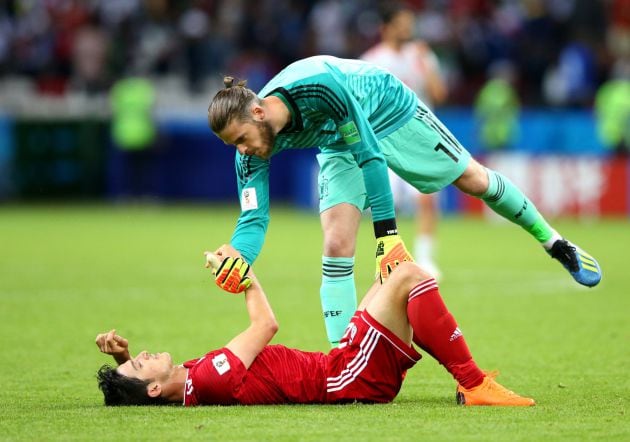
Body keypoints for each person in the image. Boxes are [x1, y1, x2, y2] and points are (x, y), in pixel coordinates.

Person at [207, 55, 602, 346]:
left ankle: (555, 242)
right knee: (336, 242)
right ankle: (345, 361)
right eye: (233, 145)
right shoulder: (249, 150)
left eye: (241, 139)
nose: (242, 151)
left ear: (258, 111)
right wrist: (239, 257)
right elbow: (254, 219)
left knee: (472, 179)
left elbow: (371, 155)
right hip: (335, 141)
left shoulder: (316, 87)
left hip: (385, 109)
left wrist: (387, 236)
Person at [95, 244, 535, 407]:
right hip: (350, 378)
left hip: (344, 367)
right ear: (153, 389)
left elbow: (145, 387)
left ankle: (468, 383)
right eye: (140, 366)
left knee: (394, 269)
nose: (145, 356)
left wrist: (123, 360)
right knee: (408, 276)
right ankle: (473, 383)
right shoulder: (207, 381)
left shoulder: (182, 382)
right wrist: (244, 276)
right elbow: (266, 324)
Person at [361, 3, 447, 279]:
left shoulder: (421, 54)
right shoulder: (370, 60)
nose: (407, 29)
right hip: (385, 141)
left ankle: (424, 259)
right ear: (385, 28)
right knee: (389, 204)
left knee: (427, 199)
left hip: (421, 139)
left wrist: (426, 64)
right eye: (401, 23)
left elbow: (439, 94)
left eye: (409, 23)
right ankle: (390, 258)